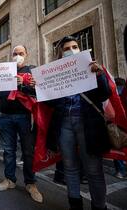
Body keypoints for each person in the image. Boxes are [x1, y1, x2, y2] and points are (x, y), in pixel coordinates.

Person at [44, 36, 111, 210]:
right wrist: (40, 87)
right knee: (70, 167)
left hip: (87, 123)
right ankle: (75, 204)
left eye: (75, 47)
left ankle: (99, 206)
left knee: (94, 169)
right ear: (61, 53)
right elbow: (50, 102)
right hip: (64, 124)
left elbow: (104, 94)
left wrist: (99, 75)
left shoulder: (91, 67)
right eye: (67, 48)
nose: (71, 50)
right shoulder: (56, 73)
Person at [0, 45, 43, 203]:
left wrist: (23, 83)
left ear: (26, 54)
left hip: (24, 116)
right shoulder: (4, 71)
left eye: (21, 53)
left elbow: (39, 91)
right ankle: (10, 180)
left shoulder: (32, 71)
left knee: (28, 151)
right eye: (15, 54)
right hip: (5, 116)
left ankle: (31, 184)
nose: (17, 56)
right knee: (8, 150)